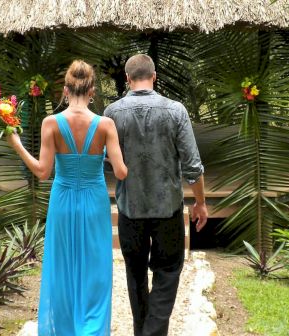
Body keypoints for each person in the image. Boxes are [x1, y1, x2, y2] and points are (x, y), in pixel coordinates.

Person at [7, 60, 127, 335]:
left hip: (62, 201)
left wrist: (16, 144)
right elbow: (121, 172)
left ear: (64, 89)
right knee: (95, 268)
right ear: (92, 91)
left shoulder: (51, 123)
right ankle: (92, 329)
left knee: (62, 267)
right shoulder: (105, 124)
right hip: (94, 202)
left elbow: (42, 171)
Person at [104, 54, 208, 336]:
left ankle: (144, 332)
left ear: (127, 79)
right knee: (168, 272)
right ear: (155, 76)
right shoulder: (176, 111)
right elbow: (192, 165)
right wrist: (200, 202)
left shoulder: (112, 113)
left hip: (130, 209)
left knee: (135, 275)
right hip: (167, 210)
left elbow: (104, 161)